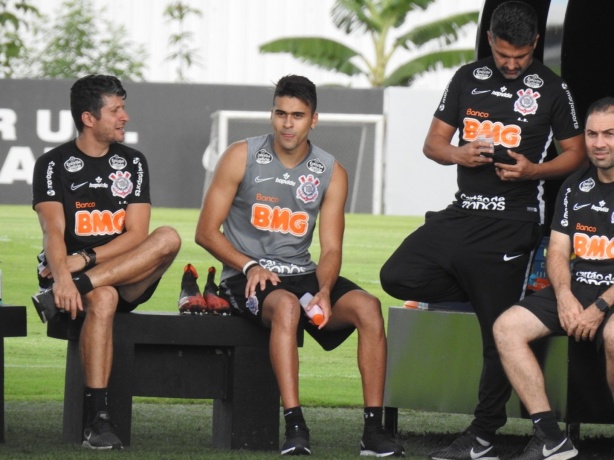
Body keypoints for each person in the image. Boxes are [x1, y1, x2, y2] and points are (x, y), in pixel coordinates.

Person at [379, 2, 586, 459]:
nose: (512, 65)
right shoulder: (467, 77)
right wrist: (460, 154)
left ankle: (483, 435)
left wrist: (534, 170)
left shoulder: (552, 88)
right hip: (462, 213)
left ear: (535, 44)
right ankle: (482, 289)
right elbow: (433, 143)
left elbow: (576, 154)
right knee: (396, 274)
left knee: (497, 335)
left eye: (521, 57)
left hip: (512, 224)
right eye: (503, 55)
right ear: (491, 40)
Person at [194, 74, 405, 457]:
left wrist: (324, 290)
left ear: (314, 119)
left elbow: (331, 249)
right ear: (272, 114)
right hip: (247, 278)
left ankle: (373, 432)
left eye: (297, 115)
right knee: (288, 307)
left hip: (304, 275)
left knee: (368, 308)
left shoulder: (331, 171)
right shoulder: (241, 155)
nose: (287, 124)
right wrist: (248, 266)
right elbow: (206, 232)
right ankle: (295, 426)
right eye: (280, 114)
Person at [31, 75, 181, 450]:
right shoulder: (52, 165)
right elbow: (53, 233)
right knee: (105, 299)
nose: (124, 117)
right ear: (88, 118)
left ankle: (83, 287)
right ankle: (98, 420)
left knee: (168, 238)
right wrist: (62, 275)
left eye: (123, 108)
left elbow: (137, 234)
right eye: (115, 110)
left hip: (113, 273)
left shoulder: (133, 162)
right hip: (74, 283)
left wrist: (80, 267)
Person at [494, 97, 614, 459]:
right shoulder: (574, 186)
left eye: (609, 134)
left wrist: (599, 306)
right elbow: (558, 251)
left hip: (610, 297)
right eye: (592, 134)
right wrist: (563, 295)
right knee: (507, 327)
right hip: (577, 290)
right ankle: (550, 437)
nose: (598, 143)